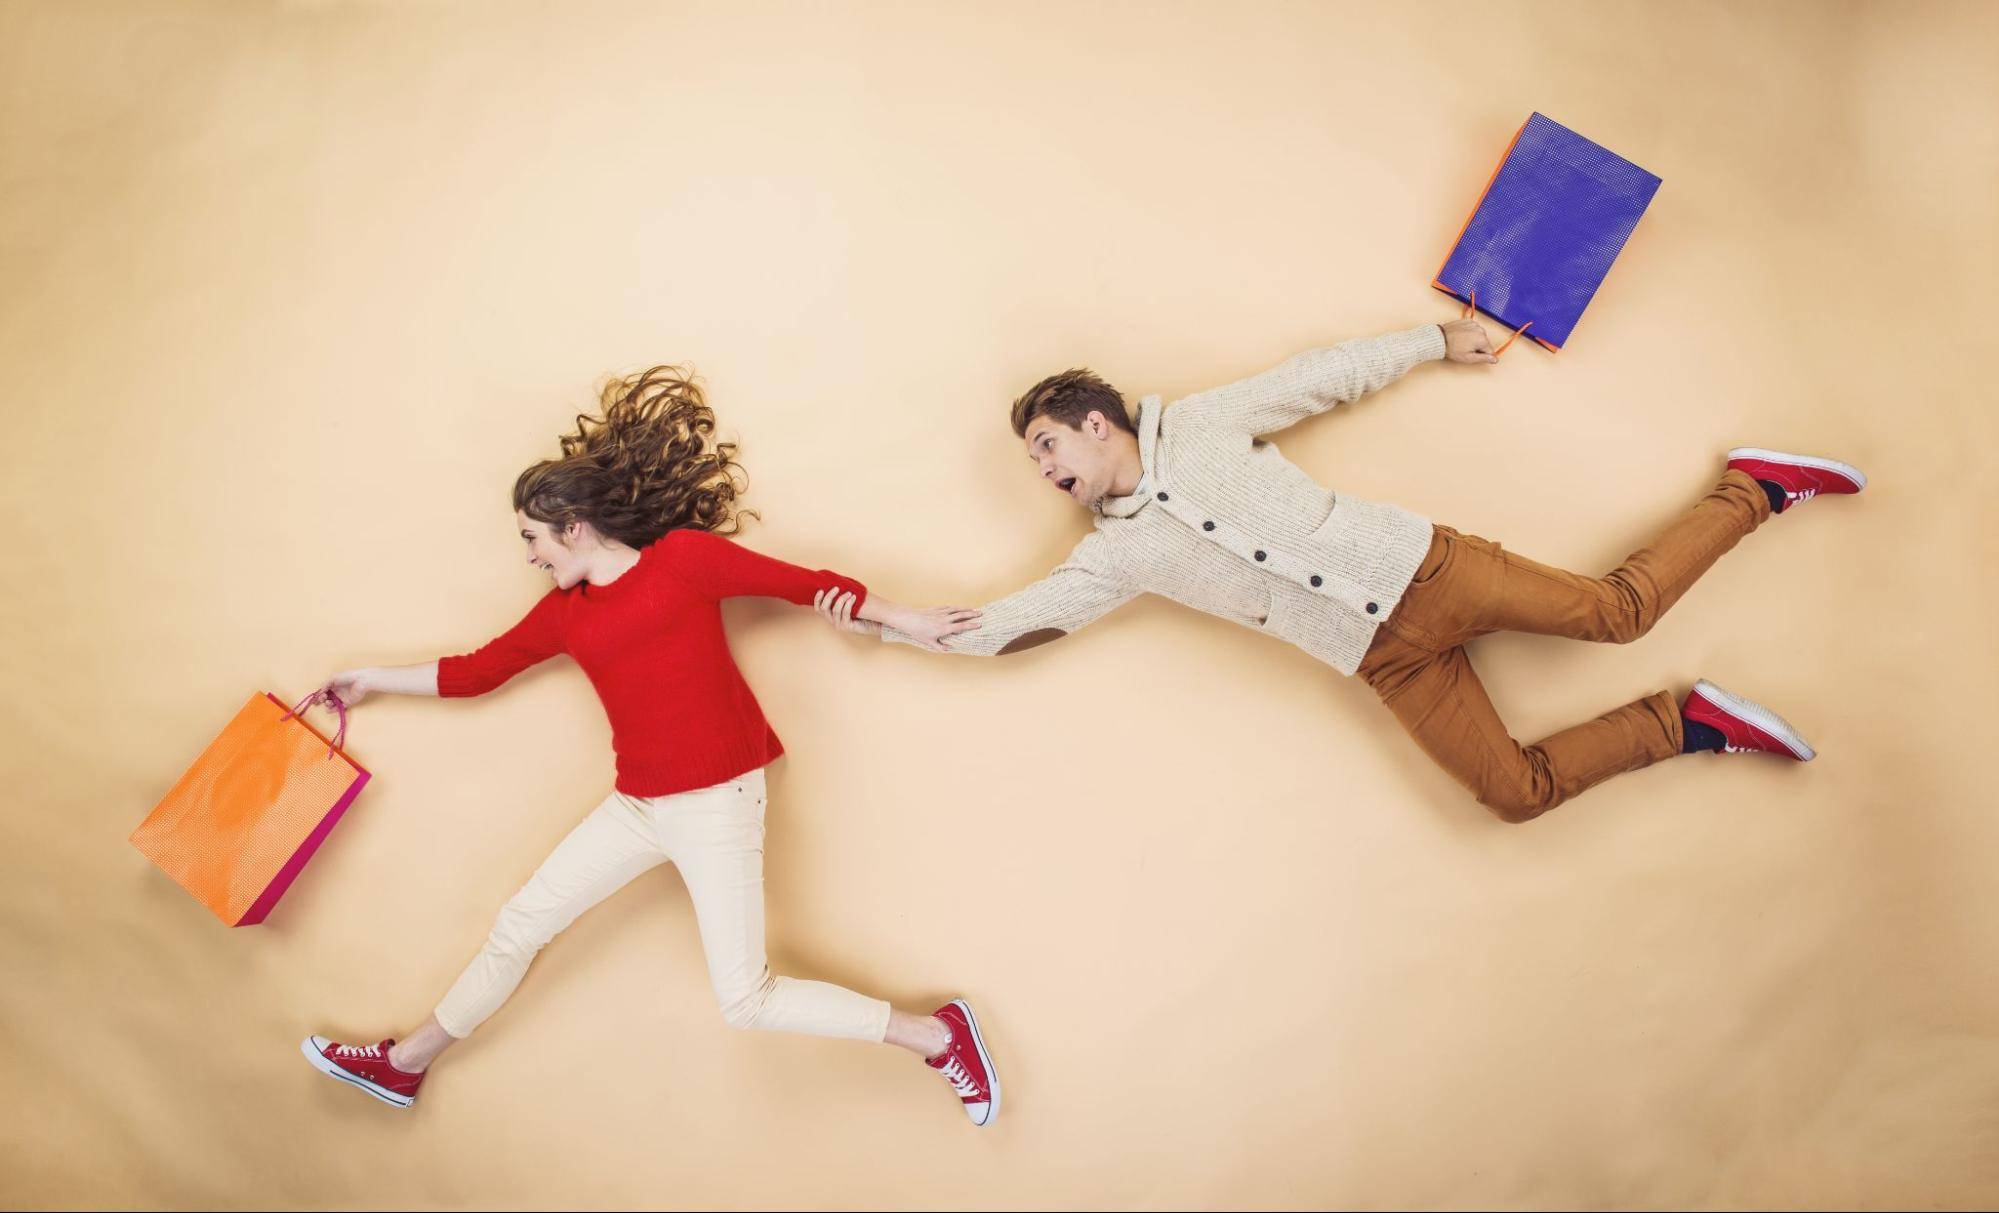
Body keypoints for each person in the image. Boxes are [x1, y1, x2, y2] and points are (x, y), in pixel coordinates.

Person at [298, 366, 999, 1123]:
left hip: (716, 806)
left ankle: (937, 1036)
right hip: (637, 807)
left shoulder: (684, 564)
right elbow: (475, 673)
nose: (530, 554)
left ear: (574, 526)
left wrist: (907, 619)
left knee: (745, 998)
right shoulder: (567, 612)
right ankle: (405, 1066)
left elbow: (805, 583)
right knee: (519, 926)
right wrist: (367, 678)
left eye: (533, 537)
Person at [816, 319, 1865, 822]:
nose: (1042, 469)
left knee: (1618, 613)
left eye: (1046, 446)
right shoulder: (1116, 551)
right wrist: (886, 621)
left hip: (1428, 572)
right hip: (1381, 658)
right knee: (1511, 794)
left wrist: (1432, 342)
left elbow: (1313, 380)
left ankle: (1757, 488)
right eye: (1033, 461)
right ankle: (1683, 724)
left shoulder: (1204, 424)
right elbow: (1016, 622)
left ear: (1097, 424)